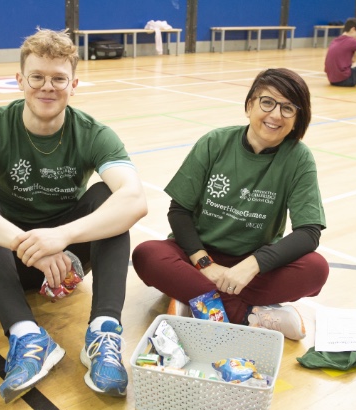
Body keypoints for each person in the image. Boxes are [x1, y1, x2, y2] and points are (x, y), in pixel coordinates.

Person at [0, 29, 147, 402]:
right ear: (19, 80)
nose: (47, 87)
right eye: (37, 77)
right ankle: (27, 336)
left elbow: (134, 200)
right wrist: (30, 242)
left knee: (109, 197)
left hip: (68, 257)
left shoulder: (93, 133)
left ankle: (103, 332)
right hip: (7, 258)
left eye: (58, 79)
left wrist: (61, 237)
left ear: (74, 84)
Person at [132, 68, 329, 341]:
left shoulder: (298, 158)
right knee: (147, 254)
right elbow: (179, 211)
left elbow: (309, 232)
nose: (275, 115)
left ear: (298, 119)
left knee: (316, 269)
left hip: (253, 266)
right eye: (267, 102)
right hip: (197, 258)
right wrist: (205, 265)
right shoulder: (215, 142)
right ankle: (250, 315)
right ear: (250, 105)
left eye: (287, 108)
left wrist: (251, 266)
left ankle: (199, 305)